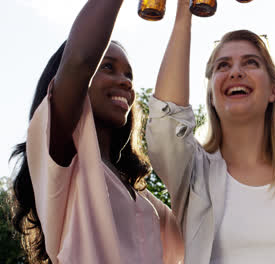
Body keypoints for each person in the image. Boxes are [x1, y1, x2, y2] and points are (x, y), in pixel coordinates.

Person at [145, 0, 275, 263]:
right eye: (223, 66)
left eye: (250, 63)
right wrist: (185, 14)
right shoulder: (194, 173)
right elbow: (165, 121)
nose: (235, 72)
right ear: (212, 94)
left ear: (273, 90)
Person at [10, 0, 183, 263]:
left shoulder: (140, 195)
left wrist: (185, 15)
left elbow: (200, 227)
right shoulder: (63, 159)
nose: (126, 81)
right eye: (107, 67)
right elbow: (80, 59)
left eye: (129, 75)